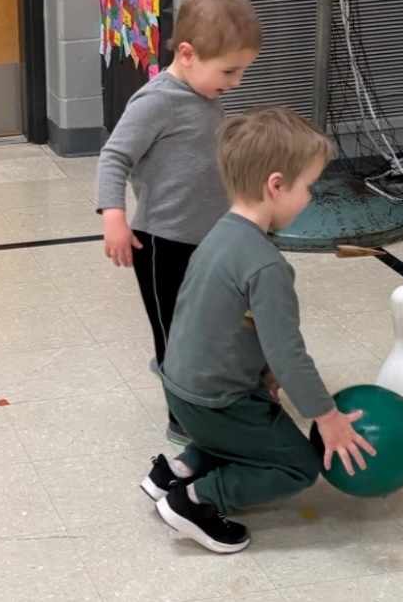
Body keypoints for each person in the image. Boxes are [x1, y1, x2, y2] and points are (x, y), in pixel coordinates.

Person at [139, 105, 375, 553]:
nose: (310, 197)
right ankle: (194, 500)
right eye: (308, 186)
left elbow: (210, 318)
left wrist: (262, 377)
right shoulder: (267, 265)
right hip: (215, 404)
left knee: (250, 427)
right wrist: (327, 419)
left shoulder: (216, 236)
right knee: (297, 466)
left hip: (179, 390)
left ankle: (176, 471)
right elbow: (289, 352)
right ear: (276, 185)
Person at [95, 0, 262, 443]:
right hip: (161, 244)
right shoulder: (156, 102)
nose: (237, 82)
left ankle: (210, 385)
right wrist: (113, 216)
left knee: (207, 324)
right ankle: (182, 415)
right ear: (187, 54)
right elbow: (115, 156)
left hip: (208, 240)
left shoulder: (204, 95)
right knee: (174, 333)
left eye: (242, 72)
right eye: (229, 72)